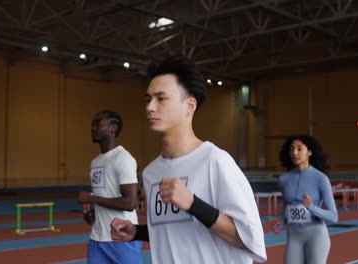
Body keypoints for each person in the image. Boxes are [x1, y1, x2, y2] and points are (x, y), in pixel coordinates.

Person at [110, 56, 267, 263]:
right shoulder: (151, 173)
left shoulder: (215, 161)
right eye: (148, 99)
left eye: (161, 98)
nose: (150, 107)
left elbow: (248, 238)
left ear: (190, 105)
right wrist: (137, 232)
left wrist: (193, 204)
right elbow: (177, 228)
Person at [78, 110, 143, 264]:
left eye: (97, 124)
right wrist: (95, 212)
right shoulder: (95, 162)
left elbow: (130, 203)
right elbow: (107, 194)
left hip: (122, 238)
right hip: (97, 238)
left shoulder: (123, 158)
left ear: (113, 128)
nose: (92, 128)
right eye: (92, 124)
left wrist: (91, 198)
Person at [273, 135, 338, 264]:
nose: (294, 153)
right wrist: (281, 222)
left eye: (299, 149)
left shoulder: (321, 178)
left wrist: (312, 207)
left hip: (316, 236)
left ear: (309, 152)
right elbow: (288, 207)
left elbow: (333, 217)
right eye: (292, 149)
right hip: (293, 236)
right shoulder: (284, 179)